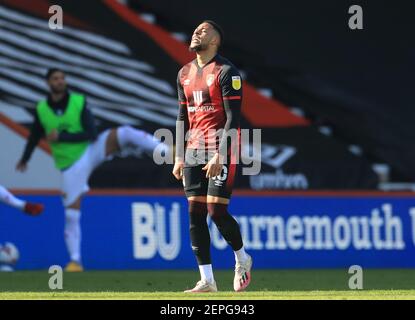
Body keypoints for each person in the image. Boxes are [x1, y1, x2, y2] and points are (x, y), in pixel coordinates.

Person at [16, 68, 168, 272]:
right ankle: (75, 261)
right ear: (48, 83)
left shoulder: (78, 101)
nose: (60, 81)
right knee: (71, 214)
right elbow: (35, 136)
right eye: (55, 78)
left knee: (125, 133)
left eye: (62, 78)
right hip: (70, 167)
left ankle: (166, 151)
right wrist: (25, 159)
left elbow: (92, 133)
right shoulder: (42, 108)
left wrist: (61, 138)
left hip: (88, 151)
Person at [173, 20, 252, 292]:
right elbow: (183, 116)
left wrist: (220, 152)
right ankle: (207, 280)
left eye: (204, 30)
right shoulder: (184, 73)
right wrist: (179, 156)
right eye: (195, 29)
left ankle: (242, 258)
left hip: (221, 147)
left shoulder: (227, 72)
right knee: (195, 212)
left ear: (216, 40)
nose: (196, 32)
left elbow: (234, 118)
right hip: (194, 149)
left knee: (216, 210)